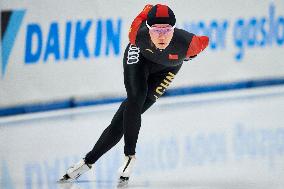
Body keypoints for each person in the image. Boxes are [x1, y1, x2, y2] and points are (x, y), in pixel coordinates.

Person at [59, 4, 209, 185]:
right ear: (148, 28)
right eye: (156, 30)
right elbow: (147, 9)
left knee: (124, 117)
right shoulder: (137, 34)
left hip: (166, 70)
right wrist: (149, 9)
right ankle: (129, 155)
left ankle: (87, 162)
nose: (161, 35)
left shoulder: (191, 44)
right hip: (139, 59)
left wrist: (190, 56)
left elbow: (205, 40)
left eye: (167, 30)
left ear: (174, 29)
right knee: (134, 100)